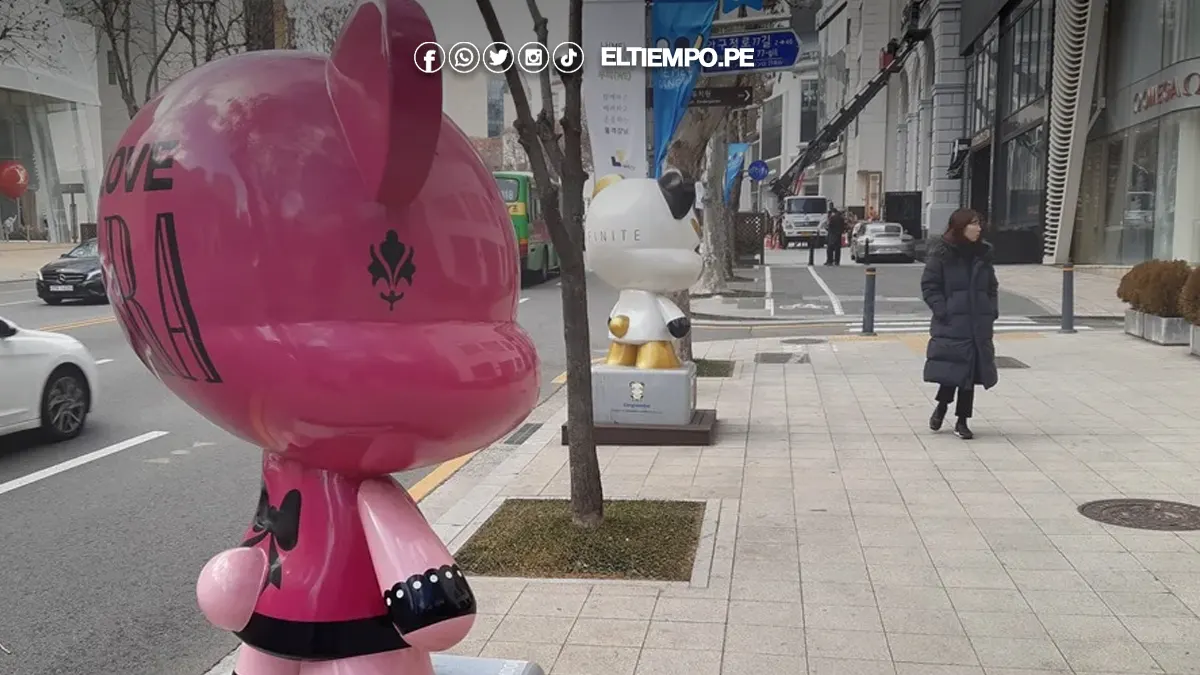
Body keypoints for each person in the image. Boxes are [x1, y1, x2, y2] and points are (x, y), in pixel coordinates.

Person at [920, 208, 999, 440]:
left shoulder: (983, 253)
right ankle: (942, 406)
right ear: (960, 227)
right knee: (954, 371)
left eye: (979, 223)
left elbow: (992, 286)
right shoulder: (942, 253)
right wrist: (943, 310)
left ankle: (962, 420)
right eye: (973, 224)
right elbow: (930, 286)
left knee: (969, 373)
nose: (978, 228)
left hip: (978, 323)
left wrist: (990, 310)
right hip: (953, 322)